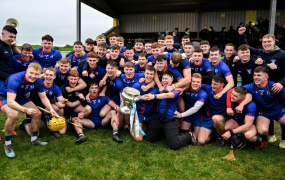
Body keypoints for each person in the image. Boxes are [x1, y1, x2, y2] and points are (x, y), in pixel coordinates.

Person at [0, 63, 58, 158]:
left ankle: (34, 139)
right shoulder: (15, 79)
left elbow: (43, 97)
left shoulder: (38, 81)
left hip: (19, 96)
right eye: (31, 73)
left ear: (39, 74)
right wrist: (25, 110)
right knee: (13, 115)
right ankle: (7, 144)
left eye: (36, 74)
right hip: (5, 97)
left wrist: (51, 109)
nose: (33, 76)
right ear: (26, 71)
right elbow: (10, 102)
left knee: (37, 113)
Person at [145, 71, 196, 150]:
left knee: (174, 145)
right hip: (158, 118)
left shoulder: (177, 89)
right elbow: (150, 93)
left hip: (170, 119)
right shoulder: (160, 88)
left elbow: (169, 95)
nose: (164, 80)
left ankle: (189, 135)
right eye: (163, 78)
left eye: (166, 78)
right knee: (149, 139)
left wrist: (154, 96)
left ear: (172, 79)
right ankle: (167, 134)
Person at [243, 66, 285, 149]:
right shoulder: (251, 86)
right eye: (254, 75)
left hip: (277, 111)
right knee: (262, 131)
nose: (255, 77)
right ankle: (264, 139)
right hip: (263, 113)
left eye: (259, 75)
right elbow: (236, 91)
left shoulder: (274, 86)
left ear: (266, 77)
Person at [28, 67, 67, 138]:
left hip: (45, 107)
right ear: (44, 75)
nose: (48, 77)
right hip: (34, 108)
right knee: (34, 134)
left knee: (59, 109)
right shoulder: (38, 83)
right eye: (47, 75)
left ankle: (54, 128)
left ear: (54, 77)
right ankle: (25, 123)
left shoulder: (56, 88)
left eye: (51, 75)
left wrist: (63, 103)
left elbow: (61, 99)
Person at [175, 73, 208, 144]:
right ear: (190, 82)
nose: (195, 84)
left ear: (200, 83)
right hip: (188, 116)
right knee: (182, 134)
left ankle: (209, 136)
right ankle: (190, 132)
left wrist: (181, 115)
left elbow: (195, 108)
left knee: (198, 140)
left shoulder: (203, 93)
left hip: (198, 116)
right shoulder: (185, 89)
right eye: (193, 81)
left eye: (198, 82)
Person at [131, 66, 159, 141]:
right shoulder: (137, 85)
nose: (149, 76)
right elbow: (130, 96)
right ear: (144, 73)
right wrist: (140, 97)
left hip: (150, 116)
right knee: (139, 138)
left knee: (154, 134)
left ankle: (143, 127)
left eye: (151, 74)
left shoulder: (156, 87)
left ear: (154, 75)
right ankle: (130, 128)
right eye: (147, 73)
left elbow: (150, 95)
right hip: (138, 115)